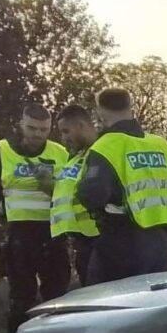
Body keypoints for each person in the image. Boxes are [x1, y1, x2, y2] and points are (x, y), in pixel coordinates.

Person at [0, 103, 70, 333]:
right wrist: (15, 182)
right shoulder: (2, 149)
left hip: (53, 231)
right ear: (21, 125)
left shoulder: (59, 152)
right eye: (32, 128)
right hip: (20, 233)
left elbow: (71, 190)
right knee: (21, 295)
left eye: (43, 129)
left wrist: (50, 185)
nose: (37, 134)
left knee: (58, 295)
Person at [77, 87, 167, 284]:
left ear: (100, 111)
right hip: (160, 241)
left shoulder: (105, 146)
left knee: (105, 306)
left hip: (121, 242)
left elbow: (93, 195)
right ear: (130, 106)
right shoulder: (160, 144)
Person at [50, 104, 101, 285]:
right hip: (82, 241)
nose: (64, 138)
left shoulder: (101, 153)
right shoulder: (77, 157)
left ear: (80, 125)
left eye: (66, 131)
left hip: (100, 239)